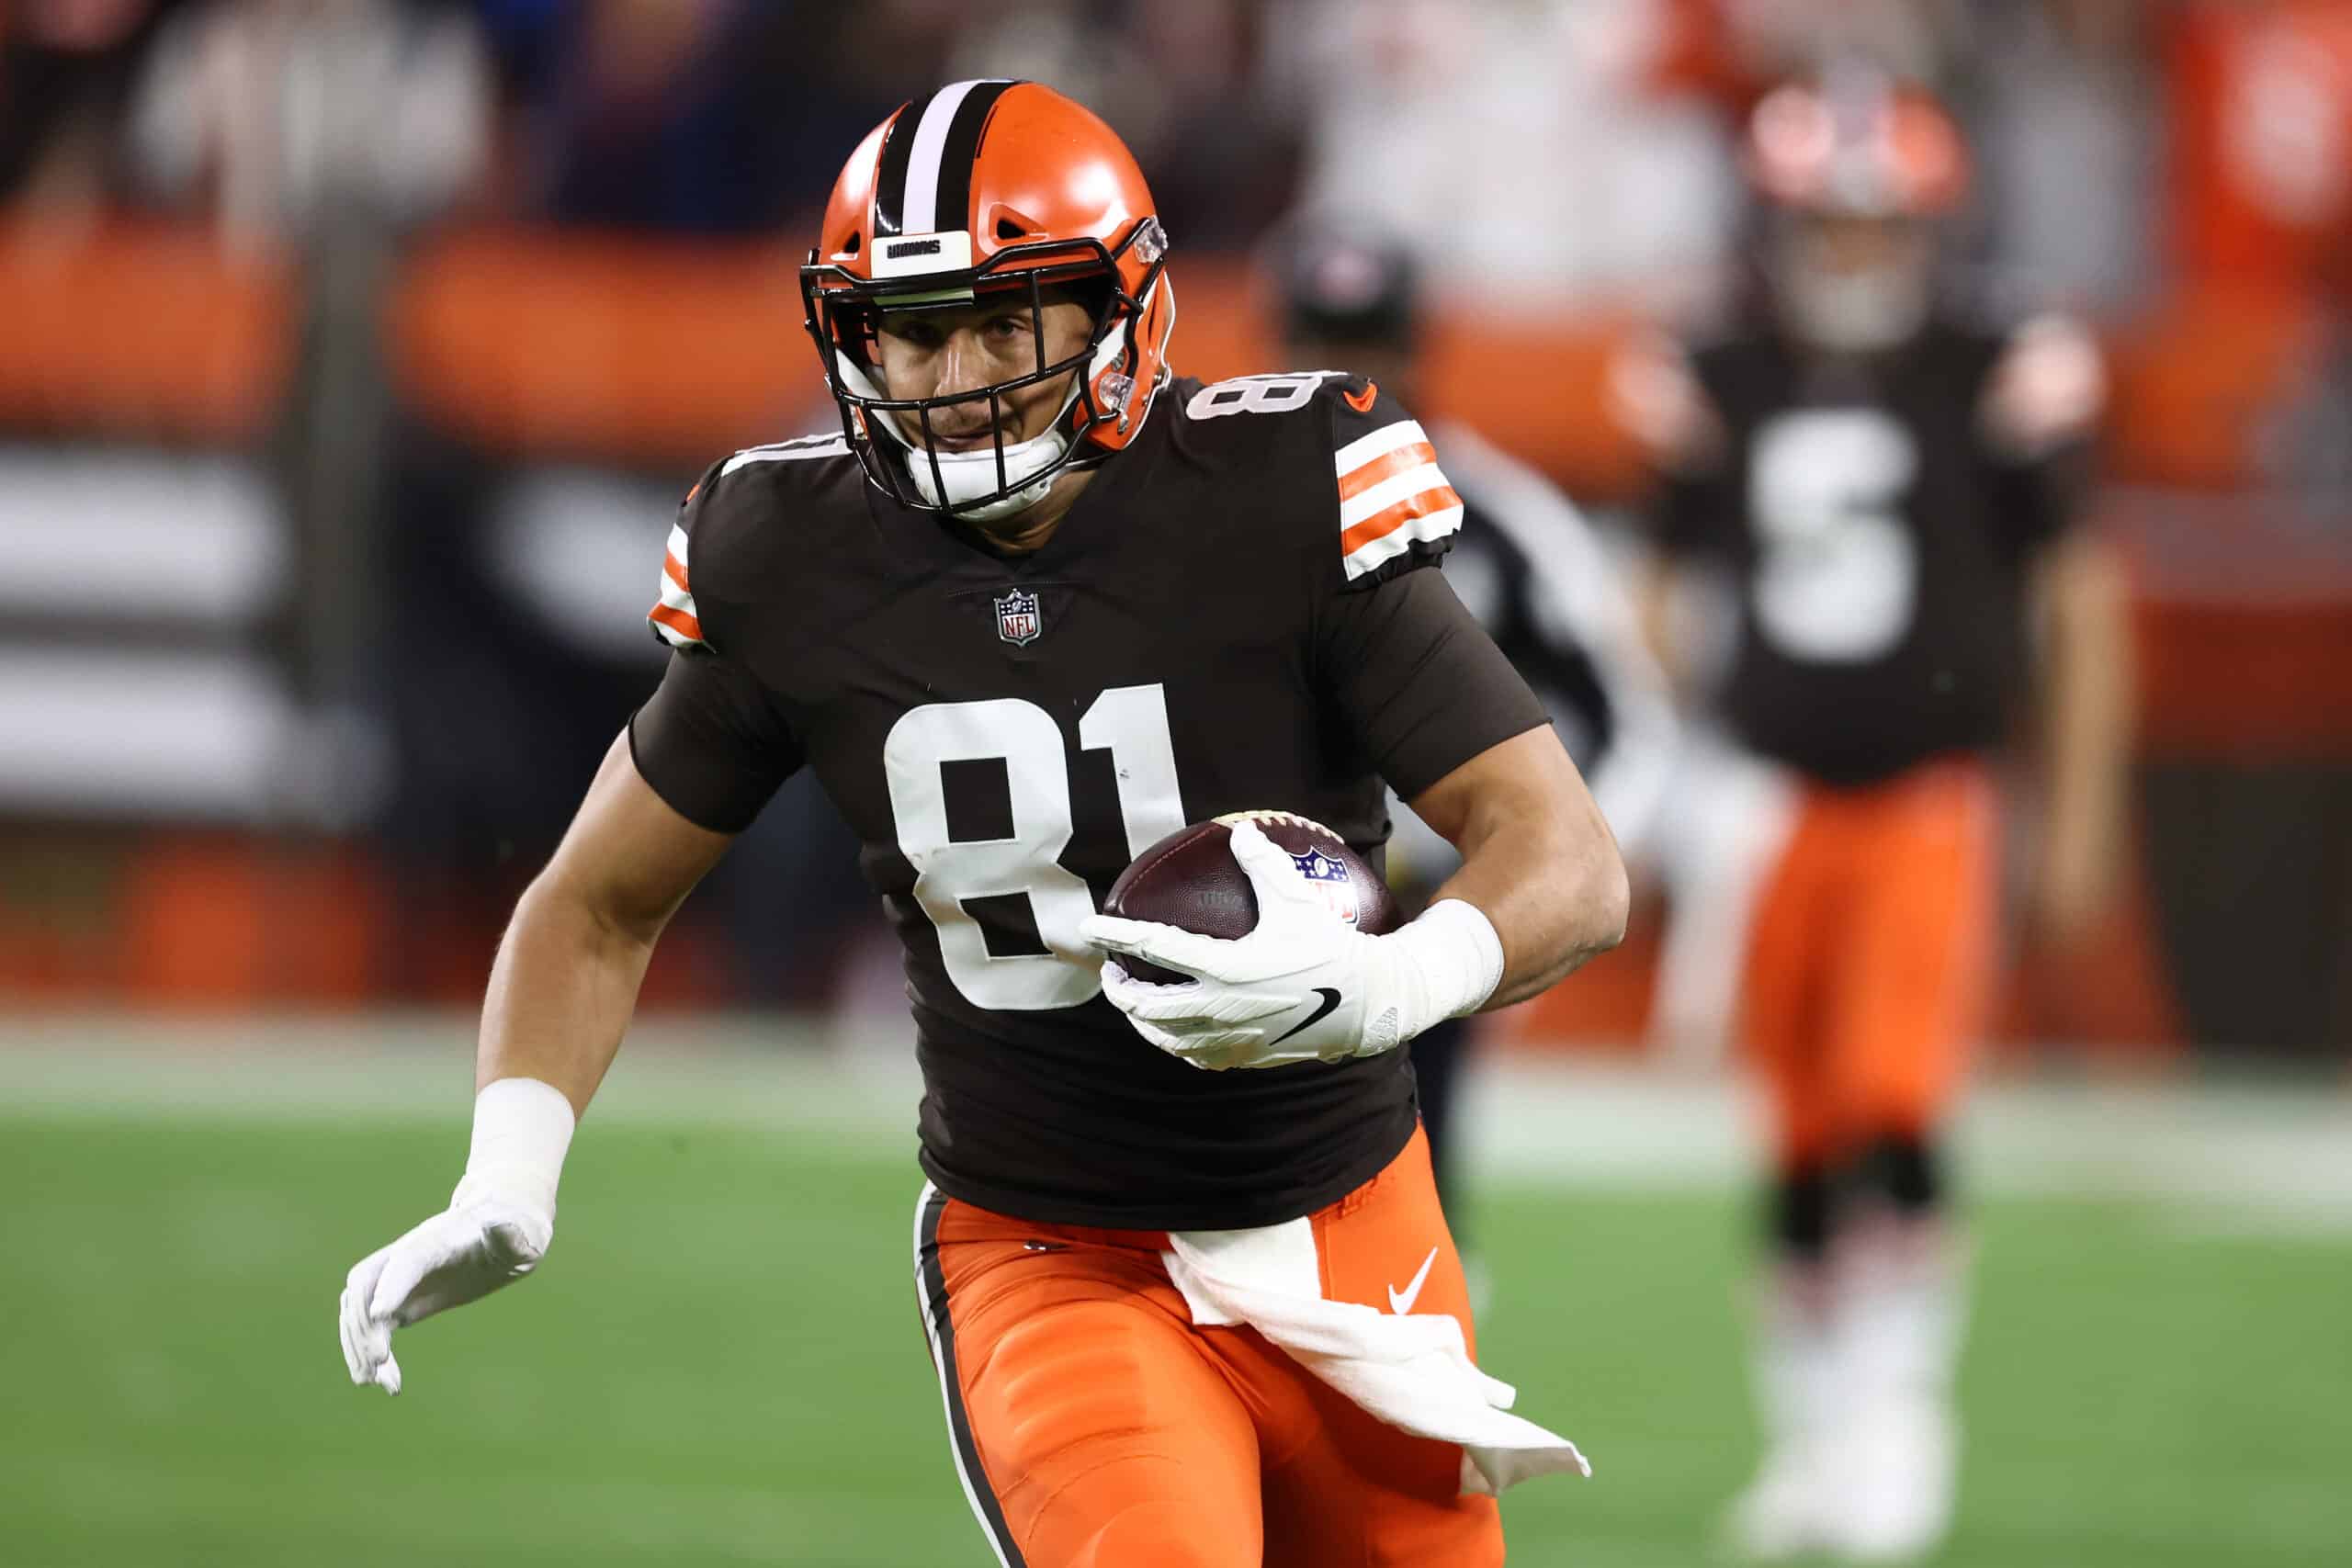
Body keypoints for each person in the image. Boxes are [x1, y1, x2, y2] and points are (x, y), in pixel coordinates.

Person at [338, 80, 1629, 1567]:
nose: (950, 375)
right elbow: (595, 902)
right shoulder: (792, 553)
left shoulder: (1279, 497)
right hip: (1055, 1254)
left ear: (1120, 314)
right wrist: (507, 1169)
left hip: (1354, 1220)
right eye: (910, 326)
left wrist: (1393, 982)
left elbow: (1565, 856)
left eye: (1002, 320)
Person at [1616, 77, 2132, 1562]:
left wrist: (2081, 798)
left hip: (1929, 790)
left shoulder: (1996, 358)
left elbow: (2076, 592)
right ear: (1773, 226)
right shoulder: (1714, 356)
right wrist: (1652, 780)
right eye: (1824, 225)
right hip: (1765, 789)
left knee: (1893, 1100)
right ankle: (1813, 1433)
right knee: (1792, 1126)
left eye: (1874, 225)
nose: (1848, 254)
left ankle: (1901, 1414)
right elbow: (1658, 592)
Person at [1269, 219, 1676, 1225]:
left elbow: (1621, 717)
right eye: (1319, 337)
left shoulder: (1495, 518)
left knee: (1414, 1199)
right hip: (1249, 920)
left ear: (1413, 349)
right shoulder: (1200, 521)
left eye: (1364, 341)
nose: (1339, 370)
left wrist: (1526, 868)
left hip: (1420, 925)